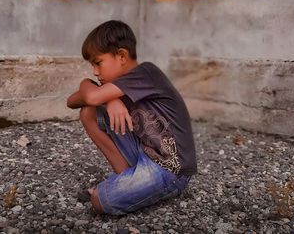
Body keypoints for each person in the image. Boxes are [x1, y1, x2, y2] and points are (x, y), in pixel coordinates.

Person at [66, 20, 197, 215]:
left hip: (171, 169)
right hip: (146, 153)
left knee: (101, 201)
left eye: (98, 62)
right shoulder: (116, 85)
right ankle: (127, 176)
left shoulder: (146, 72)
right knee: (88, 112)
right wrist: (107, 98)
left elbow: (92, 96)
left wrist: (103, 96)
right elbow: (72, 101)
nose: (95, 71)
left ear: (121, 55)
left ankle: (140, 187)